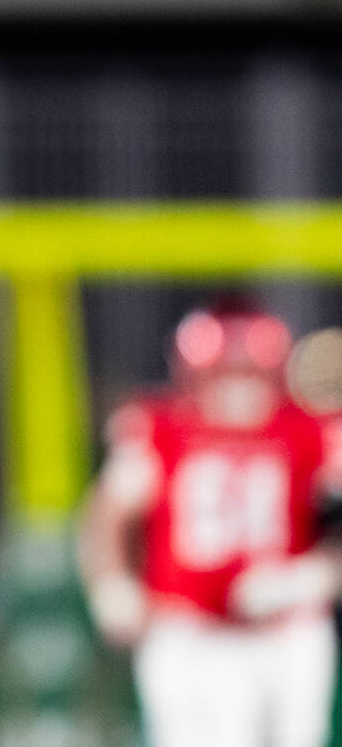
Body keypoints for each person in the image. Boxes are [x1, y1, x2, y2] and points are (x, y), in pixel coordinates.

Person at [78, 299, 342, 747]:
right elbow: (106, 513)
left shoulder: (309, 430)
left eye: (248, 374)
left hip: (287, 631)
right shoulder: (160, 427)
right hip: (189, 630)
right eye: (223, 375)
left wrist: (317, 574)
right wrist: (112, 582)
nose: (236, 391)